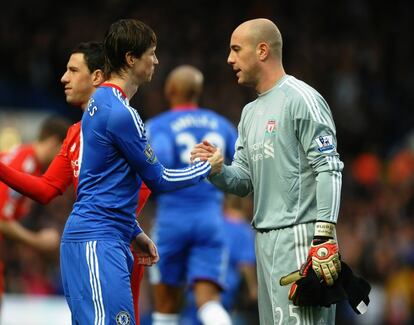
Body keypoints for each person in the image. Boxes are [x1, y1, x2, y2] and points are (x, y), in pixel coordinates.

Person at [61, 19, 218, 325]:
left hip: (100, 237)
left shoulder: (101, 102)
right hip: (98, 241)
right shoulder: (121, 113)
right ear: (132, 58)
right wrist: (206, 168)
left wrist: (132, 230)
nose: (156, 61)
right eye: (152, 53)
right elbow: (159, 178)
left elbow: (101, 180)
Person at [191, 18, 343, 324]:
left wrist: (324, 236)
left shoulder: (302, 99)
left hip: (301, 235)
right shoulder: (249, 113)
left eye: (236, 50)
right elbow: (244, 181)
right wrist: (216, 170)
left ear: (262, 51)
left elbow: (329, 168)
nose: (229, 59)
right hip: (264, 240)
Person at [0, 41, 152, 324]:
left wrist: (128, 226)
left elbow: (146, 179)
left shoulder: (118, 120)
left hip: (111, 240)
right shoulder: (74, 133)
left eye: (72, 70)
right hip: (86, 242)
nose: (63, 78)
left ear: (95, 76)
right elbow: (46, 189)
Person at [145, 65, 237, 325]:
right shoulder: (223, 125)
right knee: (208, 302)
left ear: (170, 90)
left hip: (171, 220)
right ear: (198, 91)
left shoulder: (157, 126)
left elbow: (154, 172)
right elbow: (241, 169)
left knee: (165, 309)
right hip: (210, 219)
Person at [0, 116, 70, 308]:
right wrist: (37, 241)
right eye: (64, 152)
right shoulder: (24, 166)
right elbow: (1, 220)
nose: (65, 159)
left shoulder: (24, 158)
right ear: (54, 142)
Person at [179, 193, 257, 325]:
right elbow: (245, 265)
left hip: (195, 292)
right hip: (222, 296)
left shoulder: (208, 223)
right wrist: (252, 288)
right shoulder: (242, 229)